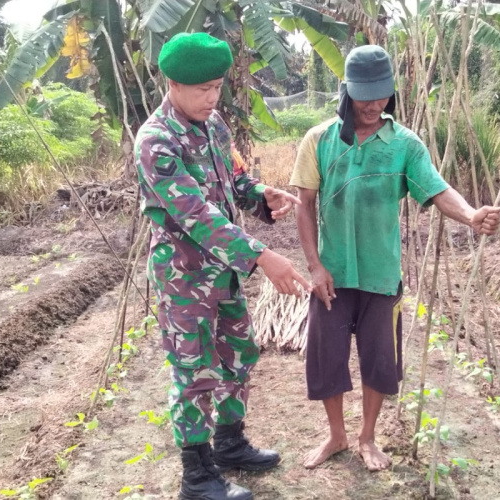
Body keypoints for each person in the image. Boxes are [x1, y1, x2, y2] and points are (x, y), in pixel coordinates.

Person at [290, 45, 500, 472]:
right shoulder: (319, 139)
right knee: (326, 357)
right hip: (332, 272)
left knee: (380, 360)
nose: (374, 104)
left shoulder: (404, 144)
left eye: (382, 94)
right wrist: (314, 265)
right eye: (365, 94)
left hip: (382, 275)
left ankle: (368, 438)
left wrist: (471, 215)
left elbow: (438, 190)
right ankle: (337, 435)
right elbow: (304, 204)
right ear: (347, 91)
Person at [135, 32, 309, 500]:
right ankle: (197, 477)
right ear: (172, 83)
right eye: (201, 90)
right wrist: (262, 256)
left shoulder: (214, 126)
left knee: (238, 355)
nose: (212, 98)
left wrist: (260, 196)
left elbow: (231, 179)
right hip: (184, 276)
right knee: (194, 371)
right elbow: (195, 213)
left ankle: (230, 445)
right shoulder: (156, 141)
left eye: (217, 87)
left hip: (225, 273)